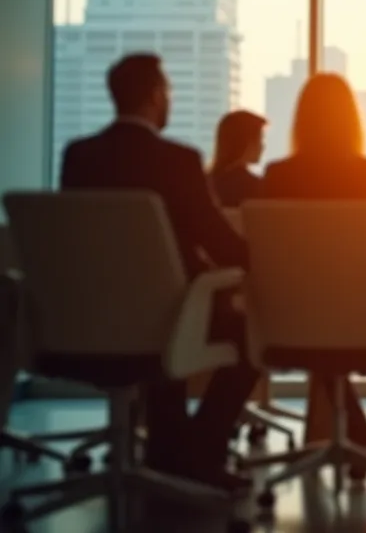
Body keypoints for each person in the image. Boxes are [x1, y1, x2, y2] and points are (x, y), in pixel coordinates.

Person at [59, 53, 258, 491]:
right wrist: (264, 262)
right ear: (154, 96)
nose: (169, 100)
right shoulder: (178, 161)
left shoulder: (79, 157)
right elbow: (219, 241)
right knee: (249, 335)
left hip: (85, 322)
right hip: (167, 320)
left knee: (171, 306)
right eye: (167, 92)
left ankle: (171, 447)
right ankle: (198, 451)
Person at [261, 72, 366, 447]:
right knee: (331, 322)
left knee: (318, 321)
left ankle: (355, 432)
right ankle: (357, 431)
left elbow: (264, 252)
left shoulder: (278, 176)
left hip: (291, 321)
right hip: (361, 321)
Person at [208, 110, 267, 207]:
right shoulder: (255, 186)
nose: (262, 146)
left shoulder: (204, 183)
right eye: (260, 139)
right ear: (246, 142)